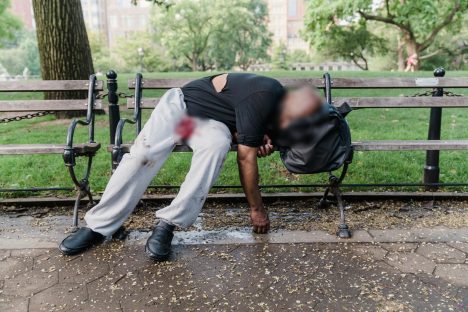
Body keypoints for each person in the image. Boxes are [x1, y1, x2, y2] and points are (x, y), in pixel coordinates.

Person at [59, 73, 324, 261]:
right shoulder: (265, 95)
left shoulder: (276, 111)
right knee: (144, 154)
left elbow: (244, 131)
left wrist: (256, 138)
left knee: (216, 146)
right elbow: (246, 157)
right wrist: (257, 210)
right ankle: (98, 226)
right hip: (182, 109)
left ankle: (168, 224)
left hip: (208, 125)